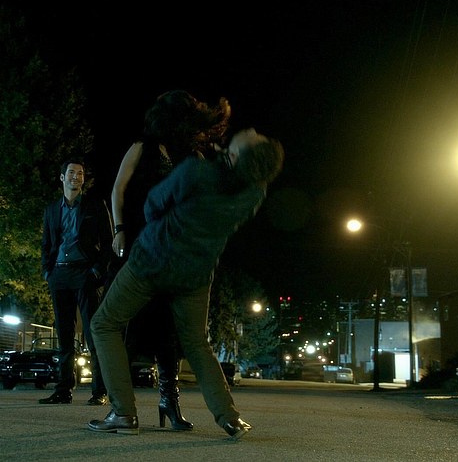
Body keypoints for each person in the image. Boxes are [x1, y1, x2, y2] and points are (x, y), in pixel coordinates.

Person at [88, 128, 284, 440]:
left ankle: (123, 412)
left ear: (235, 155)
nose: (251, 130)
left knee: (104, 324)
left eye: (253, 137)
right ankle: (229, 418)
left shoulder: (197, 170)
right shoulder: (254, 192)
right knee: (196, 342)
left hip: (152, 260)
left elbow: (153, 204)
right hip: (195, 273)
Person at [109, 89, 231, 430]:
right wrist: (119, 229)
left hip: (176, 253)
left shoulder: (193, 156)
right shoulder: (142, 146)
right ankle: (121, 406)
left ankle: (169, 401)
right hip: (140, 244)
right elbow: (118, 188)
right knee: (130, 326)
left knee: (169, 332)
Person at [40, 157, 113, 405]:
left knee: (93, 334)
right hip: (59, 275)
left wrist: (97, 271)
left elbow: (108, 242)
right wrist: (47, 271)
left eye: (80, 173)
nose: (76, 177)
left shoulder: (95, 206)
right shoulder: (52, 210)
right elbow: (46, 243)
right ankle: (63, 390)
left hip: (85, 274)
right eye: (72, 172)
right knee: (64, 335)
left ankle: (100, 391)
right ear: (62, 177)